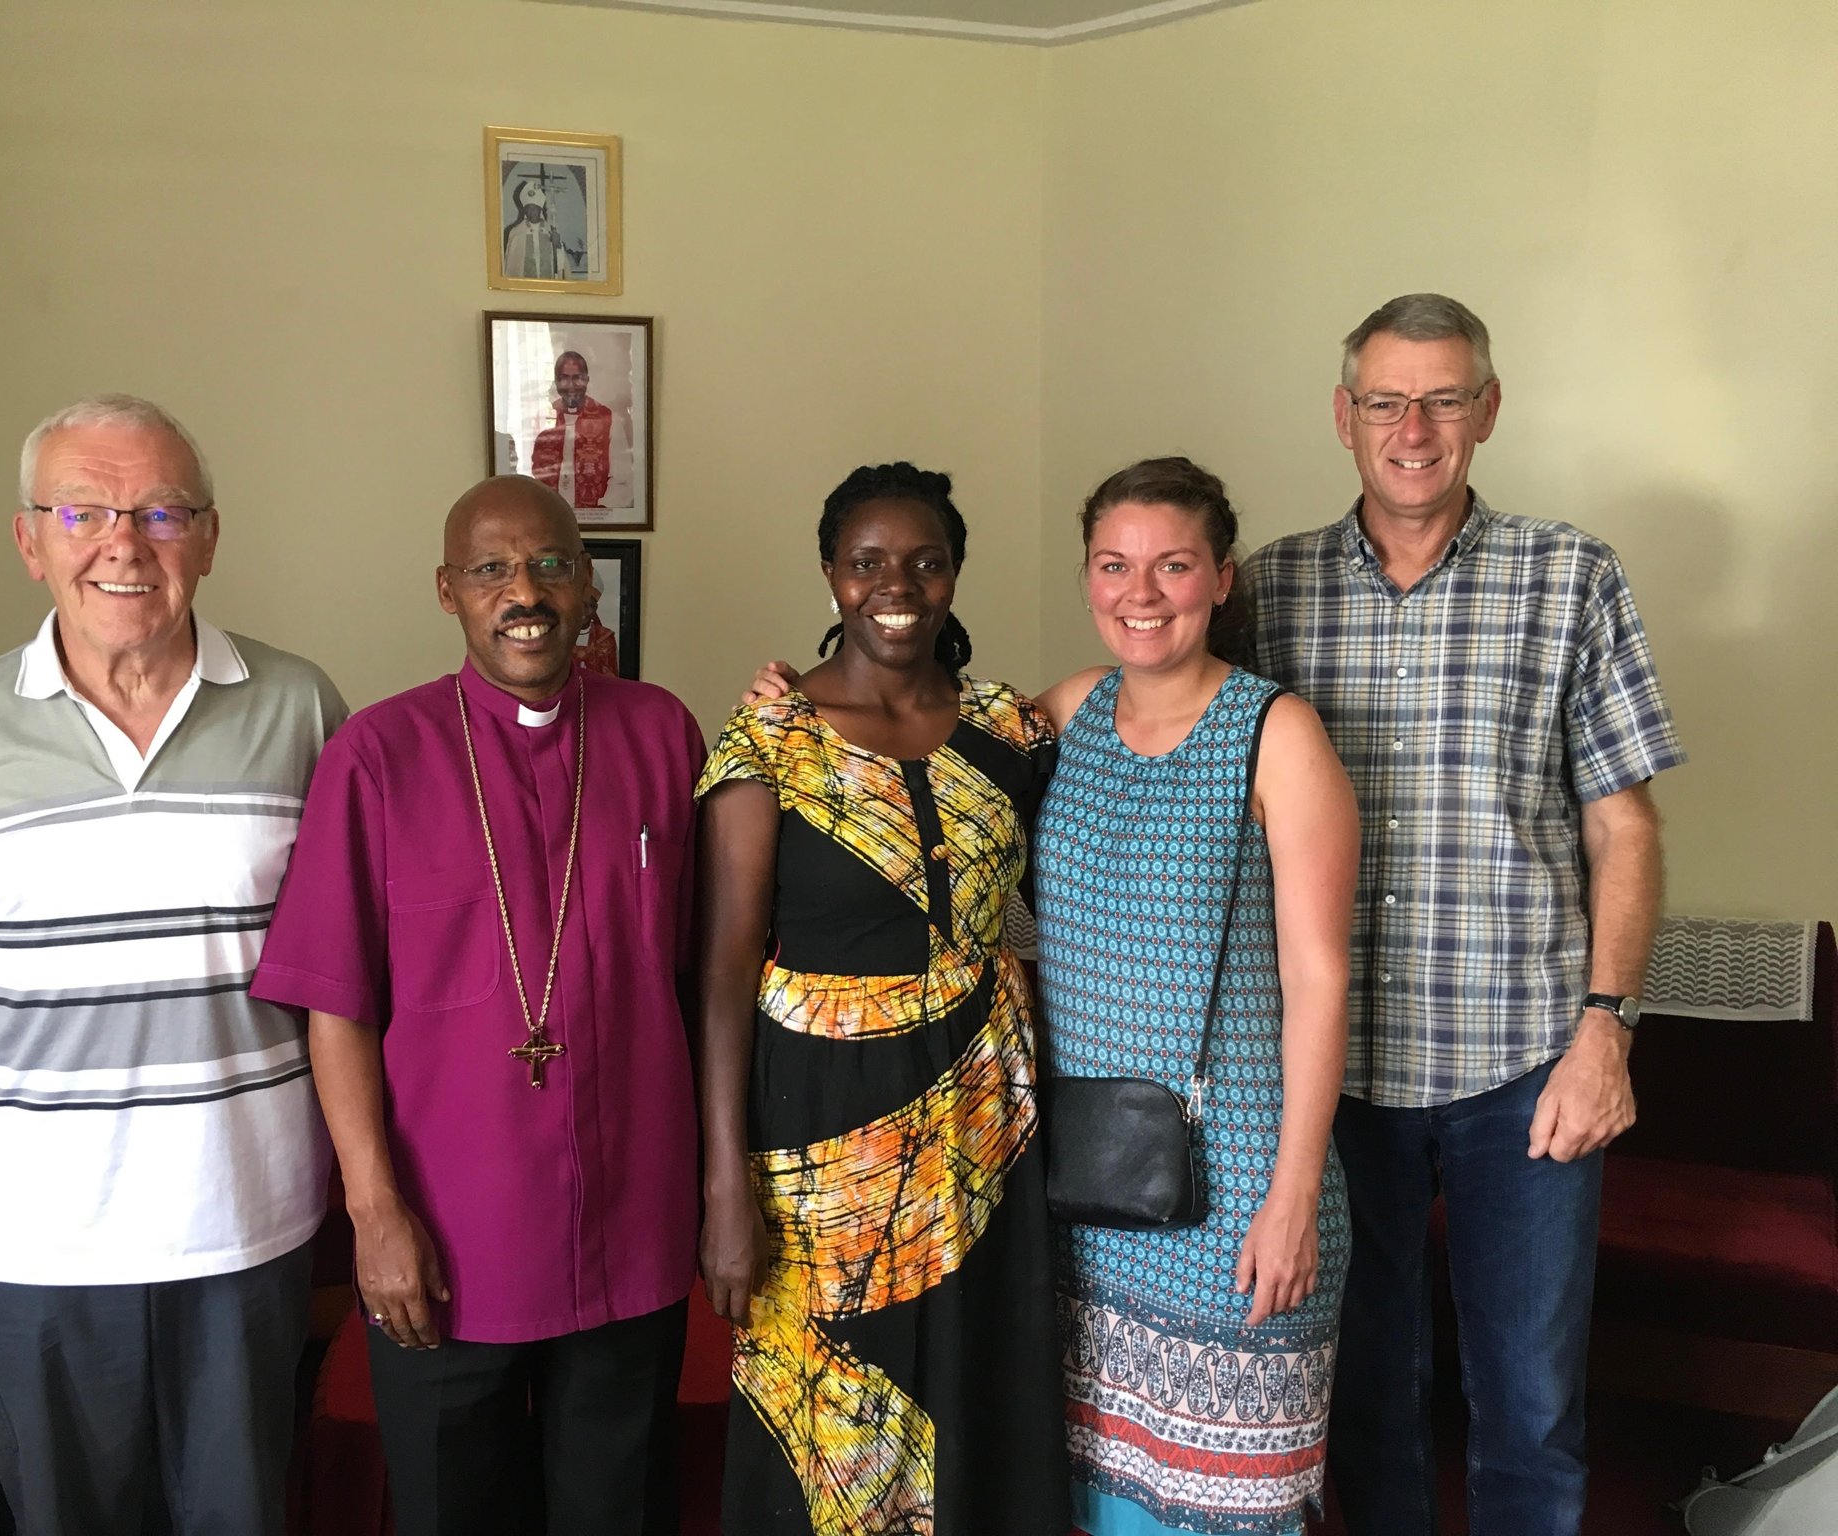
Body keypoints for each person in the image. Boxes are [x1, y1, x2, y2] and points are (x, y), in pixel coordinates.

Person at [1246, 293, 1686, 1536]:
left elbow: (1623, 826)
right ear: (1343, 417)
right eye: (1385, 400)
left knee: (1530, 1409)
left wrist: (1606, 1029)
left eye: (1443, 399)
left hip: (1525, 1072)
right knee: (1369, 1400)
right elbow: (1140, 712)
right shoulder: (1265, 591)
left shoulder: (1570, 576)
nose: (1413, 428)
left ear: (1485, 412)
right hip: (1331, 1078)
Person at [0, 393, 347, 1535]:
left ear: (211, 535)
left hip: (245, 1224)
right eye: (82, 510)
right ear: (29, 539)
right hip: (38, 1238)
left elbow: (337, 958)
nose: (124, 543)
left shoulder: (303, 709)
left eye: (162, 512)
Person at [249, 475, 705, 1536]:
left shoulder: (662, 735)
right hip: (450, 1237)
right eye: (492, 569)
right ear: (447, 591)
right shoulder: (375, 755)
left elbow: (708, 978)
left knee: (618, 1513)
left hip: (632, 1223)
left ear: (588, 584)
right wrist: (372, 1216)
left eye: (549, 563)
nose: (524, 591)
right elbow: (335, 1006)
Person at [695, 464, 1070, 1534]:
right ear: (830, 578)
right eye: (866, 563)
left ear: (954, 576)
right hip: (819, 1122)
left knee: (975, 1388)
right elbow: (720, 973)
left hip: (985, 1124)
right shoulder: (769, 740)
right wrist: (722, 1183)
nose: (893, 584)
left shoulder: (1007, 729)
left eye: (922, 562)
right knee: (837, 1417)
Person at [1034, 458, 1357, 1536]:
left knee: (1230, 1507)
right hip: (1089, 1184)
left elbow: (1318, 979)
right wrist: (793, 698)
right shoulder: (1066, 712)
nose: (1140, 592)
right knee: (1096, 1499)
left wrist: (1293, 1197)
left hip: (1236, 1186)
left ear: (1218, 578)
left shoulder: (1276, 733)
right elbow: (910, 749)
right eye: (1114, 565)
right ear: (1086, 578)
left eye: (1171, 565)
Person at [530, 350, 632, 512]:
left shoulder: (607, 419)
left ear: (587, 380)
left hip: (597, 518)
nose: (571, 386)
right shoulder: (544, 418)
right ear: (556, 382)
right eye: (564, 378)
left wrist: (601, 512)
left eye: (577, 378)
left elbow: (623, 479)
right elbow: (533, 476)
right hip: (551, 519)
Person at [502, 173, 575, 281]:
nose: (532, 212)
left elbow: (560, 266)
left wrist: (558, 245)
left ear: (540, 209)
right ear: (525, 211)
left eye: (535, 208)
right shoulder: (516, 233)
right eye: (529, 209)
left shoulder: (550, 231)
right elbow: (512, 267)